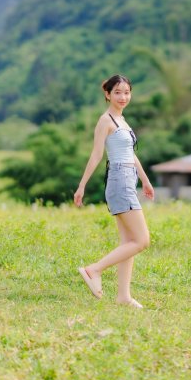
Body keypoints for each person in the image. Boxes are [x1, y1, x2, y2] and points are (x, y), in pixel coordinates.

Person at [74, 74, 155, 308]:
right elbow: (97, 154)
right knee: (141, 240)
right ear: (107, 94)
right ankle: (93, 270)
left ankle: (123, 297)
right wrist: (82, 185)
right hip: (119, 180)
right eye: (117, 92)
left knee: (127, 240)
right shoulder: (106, 121)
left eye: (127, 92)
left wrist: (146, 180)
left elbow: (131, 154)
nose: (123, 97)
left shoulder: (123, 120)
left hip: (128, 178)